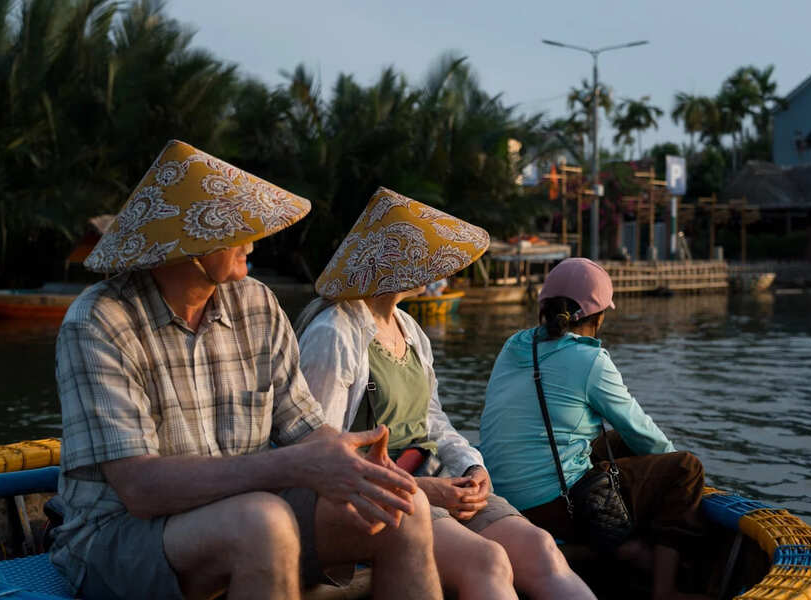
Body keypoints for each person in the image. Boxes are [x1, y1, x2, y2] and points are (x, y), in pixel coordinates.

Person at [52, 141, 441, 600]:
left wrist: (349, 463)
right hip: (118, 536)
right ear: (194, 245)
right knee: (262, 522)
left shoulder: (256, 303)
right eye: (238, 229)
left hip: (244, 512)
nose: (253, 241)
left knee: (402, 506)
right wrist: (293, 465)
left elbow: (304, 427)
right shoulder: (99, 321)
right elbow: (140, 489)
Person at [297, 188, 596, 600]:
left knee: (540, 548)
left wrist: (473, 467)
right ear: (396, 264)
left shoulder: (410, 329)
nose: (434, 269)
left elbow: (432, 420)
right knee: (487, 561)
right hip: (380, 496)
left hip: (435, 476)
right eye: (424, 258)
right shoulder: (335, 333)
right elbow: (321, 456)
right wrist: (421, 491)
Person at [480, 258, 708, 600]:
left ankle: (619, 549)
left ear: (544, 306)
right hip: (553, 506)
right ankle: (666, 589)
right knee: (686, 468)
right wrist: (676, 474)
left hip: (502, 499)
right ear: (598, 317)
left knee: (616, 443)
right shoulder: (590, 360)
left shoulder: (514, 344)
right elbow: (643, 432)